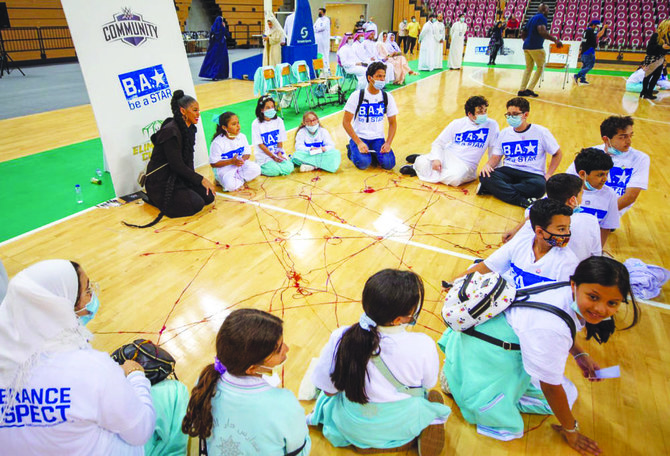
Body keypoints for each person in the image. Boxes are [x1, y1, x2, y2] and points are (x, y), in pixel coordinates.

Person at [438, 255, 639, 454]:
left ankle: (457, 376)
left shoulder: (562, 289)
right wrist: (572, 431)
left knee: (564, 393)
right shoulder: (552, 328)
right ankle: (460, 383)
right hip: (485, 356)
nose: (601, 309)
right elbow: (551, 386)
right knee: (564, 397)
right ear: (574, 285)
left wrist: (580, 355)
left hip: (477, 346)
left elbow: (559, 326)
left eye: (613, 303)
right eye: (593, 297)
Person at [0, 260, 156, 454]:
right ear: (63, 305)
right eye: (88, 290)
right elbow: (141, 431)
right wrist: (136, 376)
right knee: (172, 394)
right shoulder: (92, 368)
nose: (93, 296)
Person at [308, 269, 451, 455]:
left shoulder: (341, 337)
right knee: (427, 400)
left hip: (353, 426)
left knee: (326, 401)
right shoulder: (423, 344)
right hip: (400, 423)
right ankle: (422, 428)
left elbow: (328, 389)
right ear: (398, 320)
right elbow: (429, 384)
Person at [181, 309, 311, 455]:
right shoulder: (284, 404)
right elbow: (299, 449)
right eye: (279, 349)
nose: (286, 349)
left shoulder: (205, 380)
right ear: (252, 368)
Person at [460, 198, 579, 288]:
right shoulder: (520, 243)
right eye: (561, 229)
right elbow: (487, 267)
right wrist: (453, 283)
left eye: (568, 228)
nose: (567, 234)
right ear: (540, 232)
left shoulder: (568, 263)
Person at [138, 90, 216, 227]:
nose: (198, 114)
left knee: (208, 197)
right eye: (195, 110)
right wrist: (201, 179)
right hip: (161, 180)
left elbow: (189, 160)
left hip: (178, 176)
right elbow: (176, 165)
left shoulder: (190, 128)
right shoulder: (170, 131)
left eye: (199, 110)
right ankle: (154, 198)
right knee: (196, 204)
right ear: (183, 111)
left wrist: (194, 183)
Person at [479, 97, 562, 208]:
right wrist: (487, 165)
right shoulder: (504, 133)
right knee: (485, 176)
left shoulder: (541, 132)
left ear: (525, 115)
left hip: (533, 174)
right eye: (508, 114)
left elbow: (557, 154)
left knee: (540, 187)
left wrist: (549, 175)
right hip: (509, 171)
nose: (510, 117)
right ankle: (522, 200)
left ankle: (495, 189)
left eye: (514, 114)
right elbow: (496, 157)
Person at [400, 95, 499, 187]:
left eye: (485, 111)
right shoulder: (457, 123)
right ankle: (420, 163)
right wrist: (437, 159)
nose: (484, 115)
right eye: (479, 112)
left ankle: (422, 167)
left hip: (466, 164)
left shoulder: (492, 125)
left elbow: (494, 150)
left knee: (456, 179)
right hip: (449, 155)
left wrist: (495, 171)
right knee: (422, 163)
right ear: (469, 114)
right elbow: (439, 143)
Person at [503, 174, 602, 262]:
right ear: (572, 200)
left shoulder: (535, 215)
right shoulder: (591, 221)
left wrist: (515, 230)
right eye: (581, 194)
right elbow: (596, 255)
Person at [566, 116, 649, 217]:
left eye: (630, 136)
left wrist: (606, 216)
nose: (629, 141)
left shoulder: (640, 158)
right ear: (606, 139)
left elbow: (630, 196)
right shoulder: (590, 153)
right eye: (622, 137)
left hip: (608, 212)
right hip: (580, 208)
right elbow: (568, 182)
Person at [343, 62, 398, 170]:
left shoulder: (387, 97)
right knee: (363, 164)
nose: (382, 79)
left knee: (389, 164)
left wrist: (388, 143)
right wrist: (358, 142)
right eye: (378, 76)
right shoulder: (357, 95)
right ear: (370, 78)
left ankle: (372, 154)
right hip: (360, 137)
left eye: (383, 76)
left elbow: (393, 123)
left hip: (378, 138)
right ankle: (352, 150)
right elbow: (345, 122)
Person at [572, 148, 620, 245]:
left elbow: (606, 227)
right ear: (582, 174)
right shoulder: (564, 189)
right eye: (600, 175)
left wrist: (598, 253)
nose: (605, 179)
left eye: (607, 174)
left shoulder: (610, 195)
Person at [518, 3, 563, 97]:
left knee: (528, 68)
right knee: (540, 67)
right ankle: (529, 89)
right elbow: (542, 32)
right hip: (536, 46)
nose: (549, 11)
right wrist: (555, 40)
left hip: (526, 46)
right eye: (547, 10)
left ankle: (521, 90)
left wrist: (527, 42)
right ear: (544, 10)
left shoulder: (531, 18)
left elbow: (523, 33)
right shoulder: (542, 18)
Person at [210, 111, 261, 192]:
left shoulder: (242, 137)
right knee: (230, 186)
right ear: (224, 127)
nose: (238, 126)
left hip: (239, 165)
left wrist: (241, 161)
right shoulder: (217, 142)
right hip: (225, 168)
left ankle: (237, 180)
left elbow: (247, 153)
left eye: (238, 123)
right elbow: (213, 164)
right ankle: (220, 180)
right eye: (234, 124)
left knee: (257, 169)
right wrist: (231, 162)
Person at [251, 95, 293, 176]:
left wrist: (279, 153)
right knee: (274, 171)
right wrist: (273, 157)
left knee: (289, 168)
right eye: (268, 107)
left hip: (277, 152)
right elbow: (260, 145)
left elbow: (280, 140)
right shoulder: (256, 124)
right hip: (264, 154)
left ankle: (276, 167)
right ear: (262, 109)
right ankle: (260, 166)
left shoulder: (279, 121)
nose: (271, 109)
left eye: (272, 107)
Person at [640, 19, 670, 99]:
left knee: (656, 76)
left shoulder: (667, 37)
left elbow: (666, 49)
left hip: (660, 59)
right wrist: (661, 47)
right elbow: (649, 49)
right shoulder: (656, 36)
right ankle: (644, 92)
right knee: (648, 76)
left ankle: (649, 92)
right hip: (652, 58)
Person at [574, 20, 608, 85]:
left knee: (584, 66)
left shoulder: (586, 31)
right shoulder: (591, 31)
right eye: (597, 26)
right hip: (589, 51)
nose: (597, 28)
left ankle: (582, 79)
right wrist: (604, 28)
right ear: (593, 25)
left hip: (584, 51)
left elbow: (584, 42)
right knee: (590, 66)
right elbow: (599, 35)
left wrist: (581, 51)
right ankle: (577, 75)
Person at [199, 16, 231, 80]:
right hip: (221, 47)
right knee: (221, 61)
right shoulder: (222, 28)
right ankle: (219, 75)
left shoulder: (213, 28)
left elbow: (211, 38)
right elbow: (228, 36)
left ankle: (211, 74)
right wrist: (224, 27)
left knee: (212, 60)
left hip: (214, 46)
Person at [314, 8, 331, 73]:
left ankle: (327, 68)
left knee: (325, 54)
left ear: (324, 13)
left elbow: (322, 28)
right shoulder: (318, 20)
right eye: (319, 12)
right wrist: (316, 29)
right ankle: (319, 68)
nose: (319, 13)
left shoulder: (326, 20)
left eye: (320, 12)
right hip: (318, 40)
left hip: (324, 40)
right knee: (319, 53)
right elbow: (314, 27)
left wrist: (317, 29)